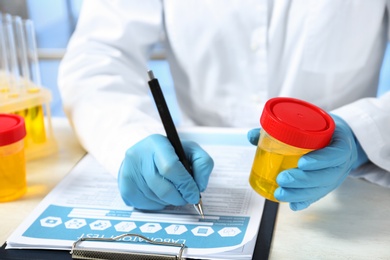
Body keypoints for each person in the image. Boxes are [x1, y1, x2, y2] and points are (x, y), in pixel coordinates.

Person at [58, 0, 390, 211]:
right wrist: (128, 137)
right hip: (198, 162)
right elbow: (98, 56)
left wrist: (362, 133)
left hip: (347, 185)